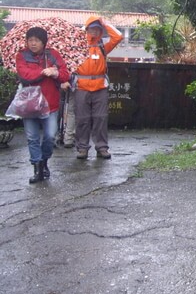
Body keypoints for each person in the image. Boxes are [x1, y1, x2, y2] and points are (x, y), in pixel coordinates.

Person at [15, 27, 70, 183]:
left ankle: (44, 161)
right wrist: (43, 72)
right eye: (30, 40)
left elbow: (66, 74)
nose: (33, 43)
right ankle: (38, 168)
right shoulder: (22, 55)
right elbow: (24, 74)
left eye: (37, 40)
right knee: (32, 137)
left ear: (44, 42)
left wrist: (56, 73)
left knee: (50, 136)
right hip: (30, 104)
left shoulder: (53, 55)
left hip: (50, 103)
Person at [75, 16, 123, 160]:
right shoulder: (78, 45)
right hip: (81, 87)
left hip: (100, 87)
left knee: (100, 119)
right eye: (92, 28)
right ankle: (82, 148)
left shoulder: (103, 47)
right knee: (82, 119)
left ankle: (102, 147)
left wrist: (105, 23)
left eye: (97, 29)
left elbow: (118, 36)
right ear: (86, 29)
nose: (95, 31)